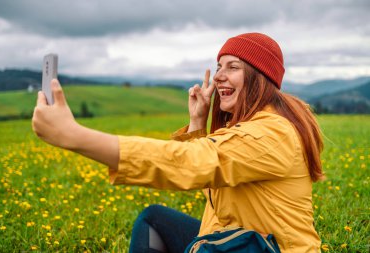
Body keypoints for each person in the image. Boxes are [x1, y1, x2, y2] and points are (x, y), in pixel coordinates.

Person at [32, 32, 324, 253]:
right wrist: (198, 123)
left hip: (270, 248)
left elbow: (188, 163)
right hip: (241, 237)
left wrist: (74, 135)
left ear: (259, 78)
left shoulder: (271, 135)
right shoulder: (252, 125)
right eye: (219, 65)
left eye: (233, 67)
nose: (219, 75)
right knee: (154, 220)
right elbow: (215, 171)